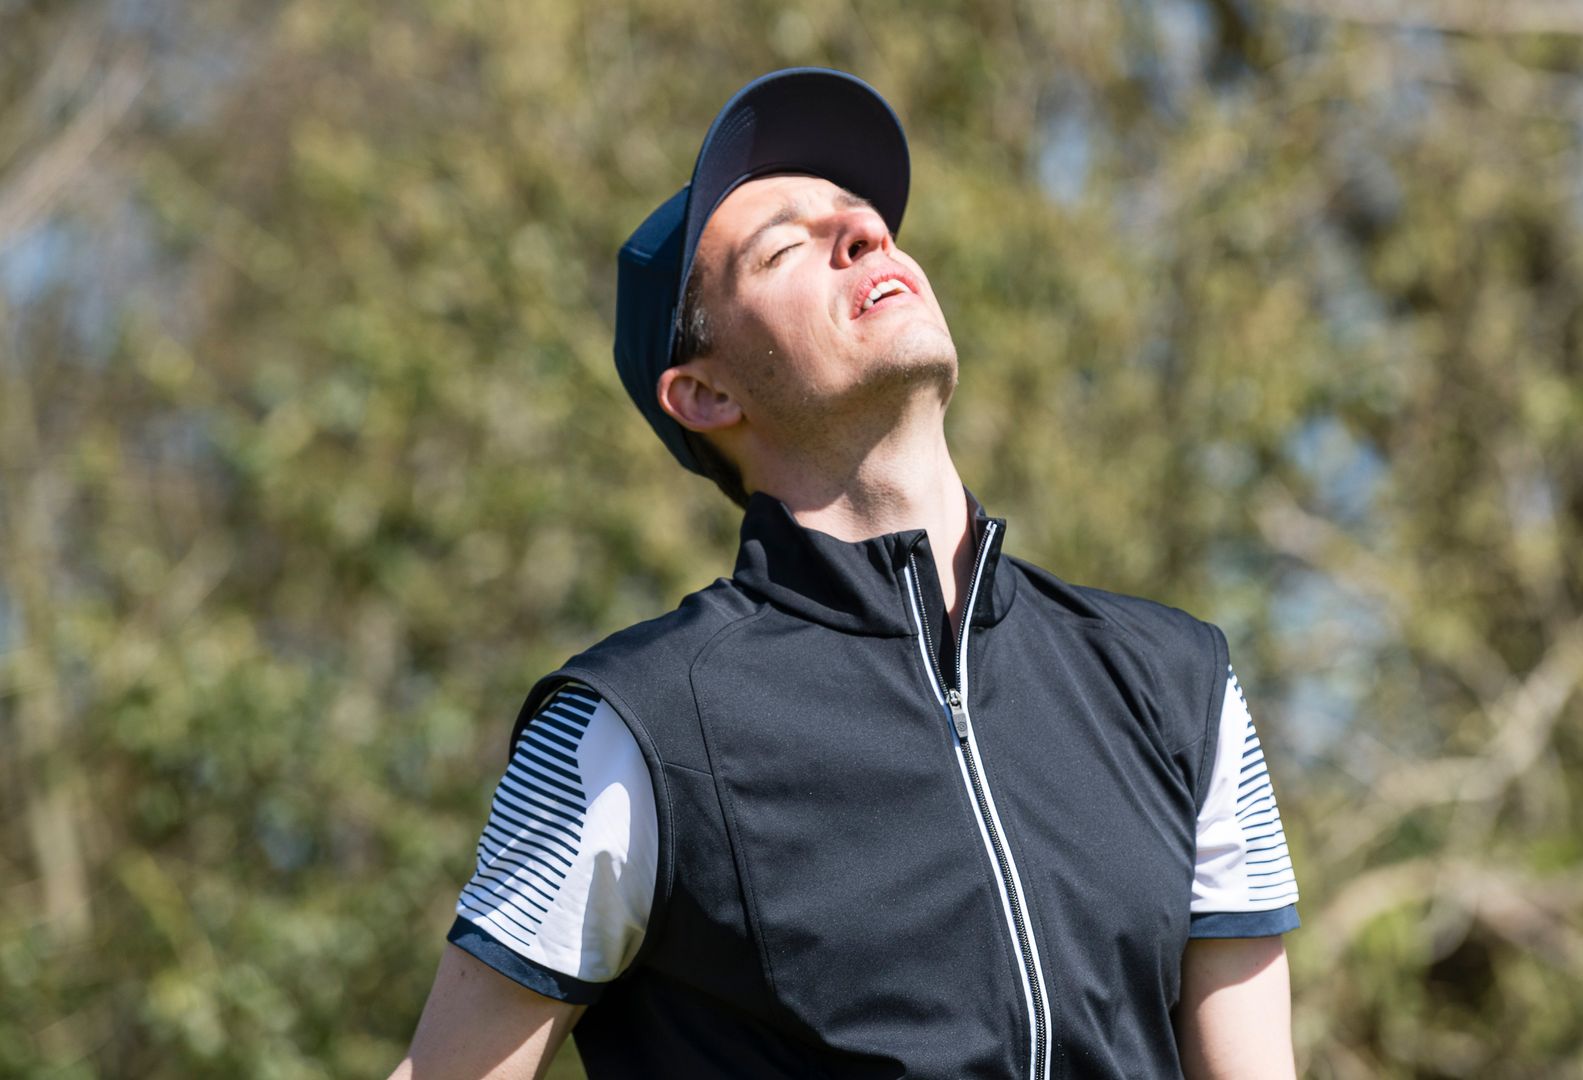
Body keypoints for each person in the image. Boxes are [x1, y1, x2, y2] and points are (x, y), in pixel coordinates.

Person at [391, 67, 1301, 1080]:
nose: (862, 233)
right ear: (705, 394)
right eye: (784, 246)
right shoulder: (625, 727)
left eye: (863, 217)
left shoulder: (1180, 681)